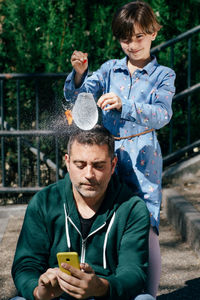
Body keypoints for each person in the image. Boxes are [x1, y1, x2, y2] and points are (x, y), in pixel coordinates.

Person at [63, 1, 176, 297]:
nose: (133, 44)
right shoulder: (109, 69)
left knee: (148, 225)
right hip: (106, 156)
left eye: (140, 37)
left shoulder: (163, 75)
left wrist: (127, 106)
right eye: (126, 38)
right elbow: (80, 97)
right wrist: (79, 75)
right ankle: (105, 286)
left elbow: (163, 114)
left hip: (144, 159)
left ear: (154, 32)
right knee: (104, 216)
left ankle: (149, 294)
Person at [11, 125, 154, 300]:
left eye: (98, 165)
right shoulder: (45, 202)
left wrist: (100, 287)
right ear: (67, 162)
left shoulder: (132, 208)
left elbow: (134, 273)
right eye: (80, 165)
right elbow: (25, 265)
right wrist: (38, 292)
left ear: (113, 164)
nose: (89, 174)